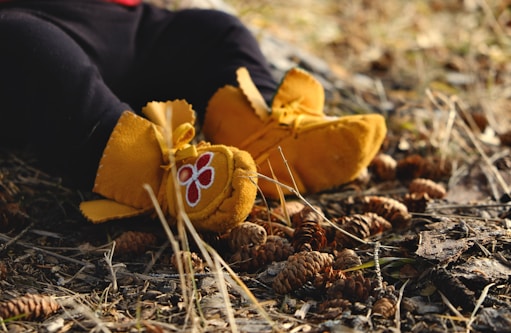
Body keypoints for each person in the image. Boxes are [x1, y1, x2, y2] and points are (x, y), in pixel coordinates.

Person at [0, 0, 387, 233]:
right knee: (26, 47)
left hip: (126, 25)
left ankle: (266, 135)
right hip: (25, 21)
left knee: (216, 31)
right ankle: (156, 175)